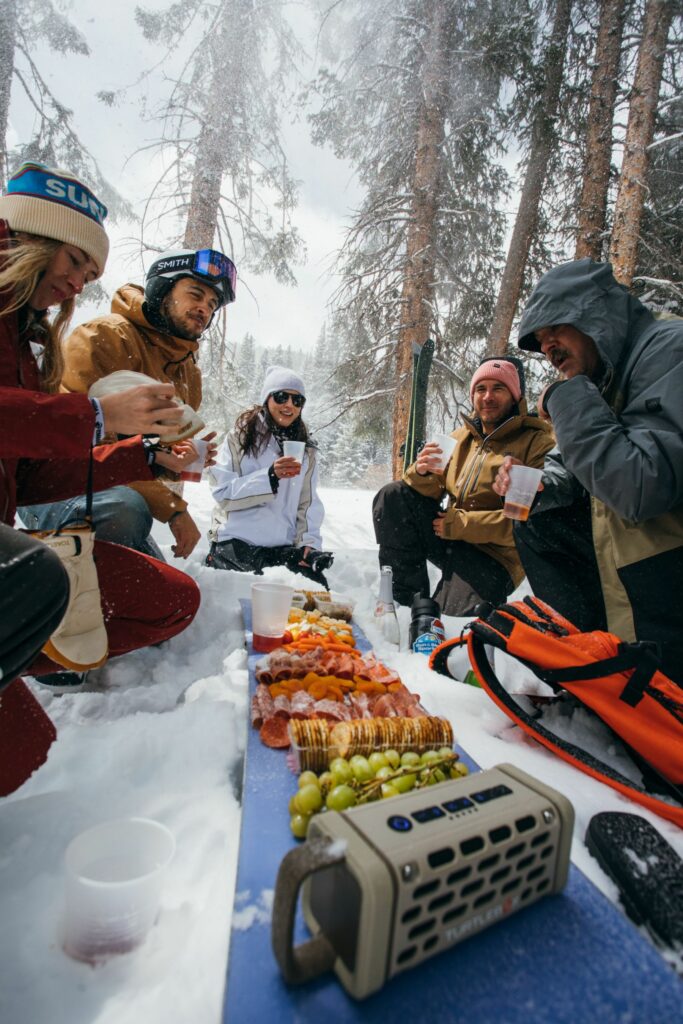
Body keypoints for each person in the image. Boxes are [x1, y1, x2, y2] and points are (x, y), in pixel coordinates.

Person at [0, 161, 201, 702]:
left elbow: (34, 476)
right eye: (73, 259)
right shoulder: (99, 336)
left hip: (16, 535)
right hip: (37, 541)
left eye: (89, 274)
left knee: (175, 598)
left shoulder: (28, 335)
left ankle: (25, 653)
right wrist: (99, 418)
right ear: (35, 235)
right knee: (115, 518)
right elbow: (56, 423)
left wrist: (149, 458)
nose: (77, 280)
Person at [493, 258, 683, 685]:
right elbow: (573, 469)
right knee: (537, 520)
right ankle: (591, 657)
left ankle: (622, 669)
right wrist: (539, 483)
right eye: (541, 341)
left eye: (555, 330)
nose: (548, 348)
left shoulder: (670, 349)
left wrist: (567, 397)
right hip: (640, 566)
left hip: (667, 570)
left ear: (594, 314)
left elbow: (640, 486)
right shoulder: (606, 377)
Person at [21, 245, 237, 559]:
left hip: (114, 496)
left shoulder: (187, 373)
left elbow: (152, 460)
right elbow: (79, 441)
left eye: (211, 303)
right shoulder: (104, 338)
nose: (204, 308)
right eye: (195, 294)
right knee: (127, 511)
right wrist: (173, 510)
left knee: (172, 598)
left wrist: (179, 459)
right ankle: (48, 579)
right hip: (56, 485)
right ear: (163, 290)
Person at [373, 357, 554, 615]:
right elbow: (422, 492)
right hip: (450, 537)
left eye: (498, 388)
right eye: (481, 389)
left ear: (514, 395)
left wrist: (460, 524)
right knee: (393, 496)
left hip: (495, 556)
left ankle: (447, 609)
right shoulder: (461, 438)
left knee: (448, 623)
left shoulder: (535, 443)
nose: (488, 396)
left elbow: (524, 525)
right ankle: (404, 601)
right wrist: (421, 472)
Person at [205, 366, 333, 586]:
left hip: (280, 547)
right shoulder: (240, 437)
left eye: (297, 400)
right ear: (267, 398)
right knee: (255, 591)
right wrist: (269, 477)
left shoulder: (306, 449)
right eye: (282, 397)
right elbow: (223, 493)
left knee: (315, 589)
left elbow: (307, 503)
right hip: (236, 542)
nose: (289, 405)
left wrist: (309, 546)